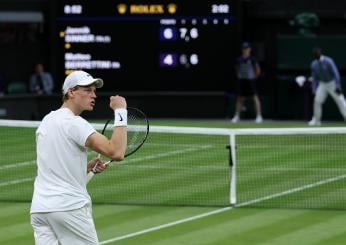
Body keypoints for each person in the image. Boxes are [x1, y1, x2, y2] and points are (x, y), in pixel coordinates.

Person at [30, 70, 128, 244]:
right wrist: (121, 111)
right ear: (71, 92)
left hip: (40, 210)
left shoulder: (47, 120)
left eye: (94, 91)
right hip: (69, 208)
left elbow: (53, 166)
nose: (94, 95)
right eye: (88, 90)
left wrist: (85, 168)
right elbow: (116, 152)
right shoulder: (74, 123)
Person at [308, 47, 346, 126]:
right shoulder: (314, 64)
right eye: (315, 53)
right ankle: (316, 120)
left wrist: (338, 85)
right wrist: (314, 89)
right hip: (322, 85)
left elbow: (336, 73)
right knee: (317, 101)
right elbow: (314, 78)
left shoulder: (328, 61)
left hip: (332, 84)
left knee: (341, 101)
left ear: (320, 52)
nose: (316, 54)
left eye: (317, 52)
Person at [231, 42, 263, 123]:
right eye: (244, 48)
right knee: (240, 98)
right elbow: (237, 69)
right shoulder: (239, 60)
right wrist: (239, 75)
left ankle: (259, 116)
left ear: (250, 49)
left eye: (247, 48)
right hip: (242, 81)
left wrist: (254, 77)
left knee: (255, 98)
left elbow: (258, 69)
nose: (245, 50)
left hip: (251, 80)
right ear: (242, 49)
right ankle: (236, 116)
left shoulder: (253, 59)